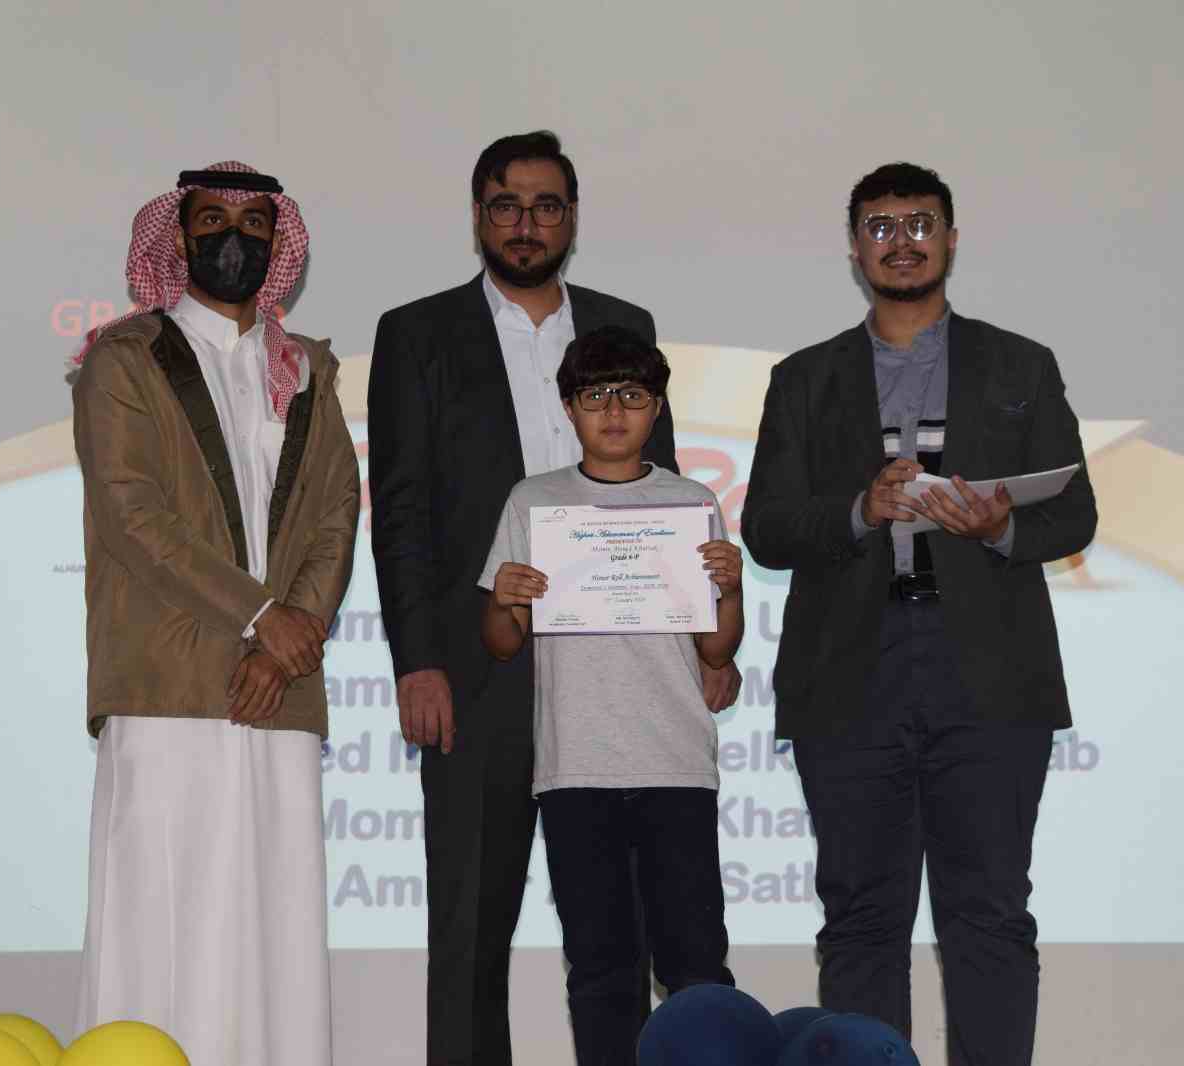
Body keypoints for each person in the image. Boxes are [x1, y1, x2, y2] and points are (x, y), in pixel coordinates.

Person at [368, 130, 741, 1065]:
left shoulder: (623, 321)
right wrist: (418, 661)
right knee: (470, 924)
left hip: (626, 680)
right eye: (506, 205)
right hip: (479, 663)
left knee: (633, 938)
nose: (525, 223)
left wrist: (703, 644)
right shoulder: (415, 333)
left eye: (545, 206)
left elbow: (664, 501)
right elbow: (401, 513)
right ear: (478, 217)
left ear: (572, 218)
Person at [740, 161, 1097, 1066]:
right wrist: (860, 510)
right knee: (861, 919)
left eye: (920, 223)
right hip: (849, 672)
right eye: (881, 227)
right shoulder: (803, 379)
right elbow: (767, 529)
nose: (902, 242)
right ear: (855, 248)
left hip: (988, 671)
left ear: (952, 237)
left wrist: (999, 525)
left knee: (989, 915)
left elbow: (1076, 513)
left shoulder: (1021, 364)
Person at [69, 161, 360, 1066]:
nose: (233, 237)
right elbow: (133, 516)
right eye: (210, 220)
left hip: (277, 688)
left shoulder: (305, 368)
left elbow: (335, 513)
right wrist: (263, 615)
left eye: (253, 223)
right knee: (162, 924)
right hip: (167, 684)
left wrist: (284, 642)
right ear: (178, 235)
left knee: (276, 928)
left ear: (279, 242)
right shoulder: (123, 359)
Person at [480, 325, 744, 1066]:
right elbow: (501, 643)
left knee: (695, 964)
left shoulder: (691, 502)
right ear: (569, 409)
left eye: (632, 394)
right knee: (600, 967)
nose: (615, 411)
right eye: (595, 396)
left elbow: (716, 650)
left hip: (674, 763)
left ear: (657, 406)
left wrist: (730, 589)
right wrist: (503, 598)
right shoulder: (534, 503)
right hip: (576, 767)